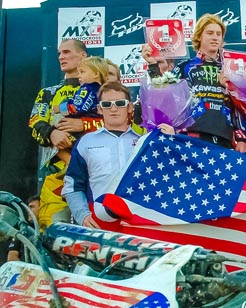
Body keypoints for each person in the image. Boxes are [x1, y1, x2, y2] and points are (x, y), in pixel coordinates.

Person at [62, 81, 174, 229]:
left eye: (120, 103)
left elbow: (165, 176)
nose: (113, 109)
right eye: (107, 104)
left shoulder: (145, 142)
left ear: (130, 107)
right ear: (100, 109)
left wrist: (171, 142)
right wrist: (82, 215)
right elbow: (72, 185)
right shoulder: (86, 142)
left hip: (140, 223)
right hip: (100, 223)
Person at [141, 13, 246, 151]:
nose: (215, 37)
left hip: (223, 138)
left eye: (219, 34)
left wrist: (241, 138)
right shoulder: (185, 67)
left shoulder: (230, 69)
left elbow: (240, 106)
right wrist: (152, 65)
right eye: (210, 33)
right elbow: (162, 95)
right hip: (189, 137)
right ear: (199, 36)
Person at [28, 38, 87, 230]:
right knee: (54, 233)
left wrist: (83, 124)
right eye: (60, 53)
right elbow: (35, 122)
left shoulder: (99, 91)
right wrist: (52, 133)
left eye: (67, 52)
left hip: (94, 174)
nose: (61, 57)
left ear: (82, 56)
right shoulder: (48, 93)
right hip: (57, 178)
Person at [6, 195, 41, 262]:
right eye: (28, 207)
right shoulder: (23, 231)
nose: (28, 211)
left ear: (43, 209)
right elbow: (12, 258)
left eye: (32, 207)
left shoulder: (50, 232)